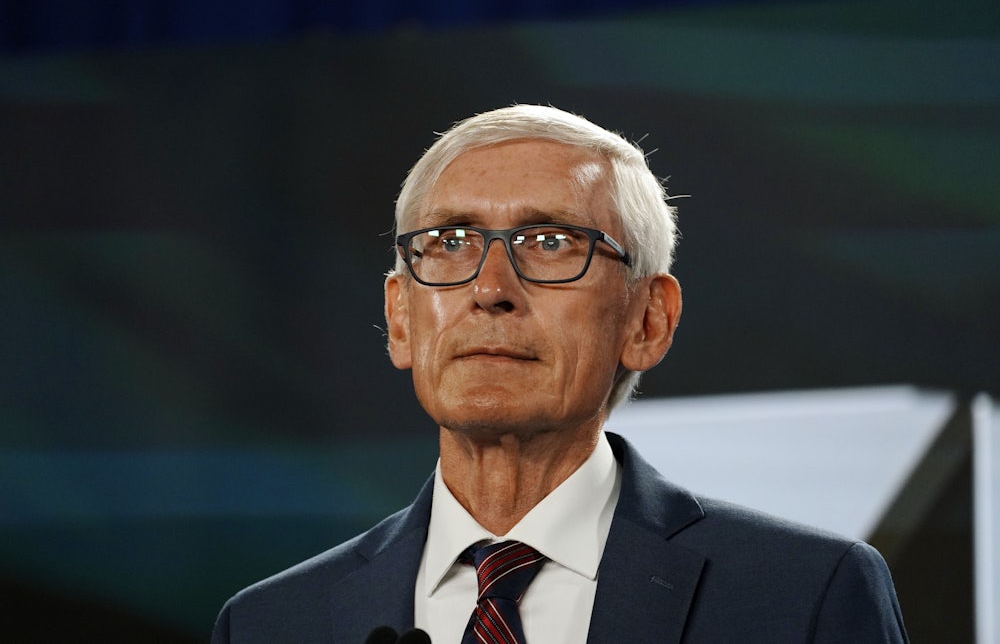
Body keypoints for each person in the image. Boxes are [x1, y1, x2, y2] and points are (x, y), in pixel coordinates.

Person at [212, 105, 908, 643]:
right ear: (400, 318)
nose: (490, 287)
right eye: (450, 242)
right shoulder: (273, 623)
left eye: (550, 242)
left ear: (648, 320)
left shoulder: (800, 597)